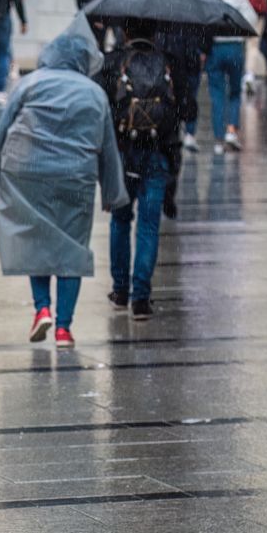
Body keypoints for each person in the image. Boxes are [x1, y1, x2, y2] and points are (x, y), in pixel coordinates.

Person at [0, 16, 128, 349]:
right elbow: (108, 146)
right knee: (71, 249)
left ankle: (41, 309)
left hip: (28, 172)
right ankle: (63, 329)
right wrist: (112, 190)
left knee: (36, 240)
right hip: (75, 177)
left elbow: (2, 132)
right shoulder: (94, 92)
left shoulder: (31, 84)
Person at [97, 19, 182, 321]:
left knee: (120, 221)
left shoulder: (112, 63)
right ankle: (141, 298)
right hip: (158, 152)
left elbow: (100, 109)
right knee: (148, 225)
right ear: (155, 32)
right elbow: (181, 112)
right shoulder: (168, 64)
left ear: (125, 31)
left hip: (122, 154)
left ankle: (120, 289)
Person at [158, 0, 213, 155]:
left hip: (169, 54)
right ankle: (189, 132)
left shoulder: (164, 1)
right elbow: (206, 30)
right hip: (190, 55)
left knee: (171, 92)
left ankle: (174, 128)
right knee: (191, 93)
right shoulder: (197, 2)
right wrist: (203, 50)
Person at [203, 0, 257, 155]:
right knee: (234, 92)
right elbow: (252, 18)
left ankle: (218, 139)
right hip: (234, 47)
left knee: (217, 95)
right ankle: (231, 131)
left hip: (215, 49)